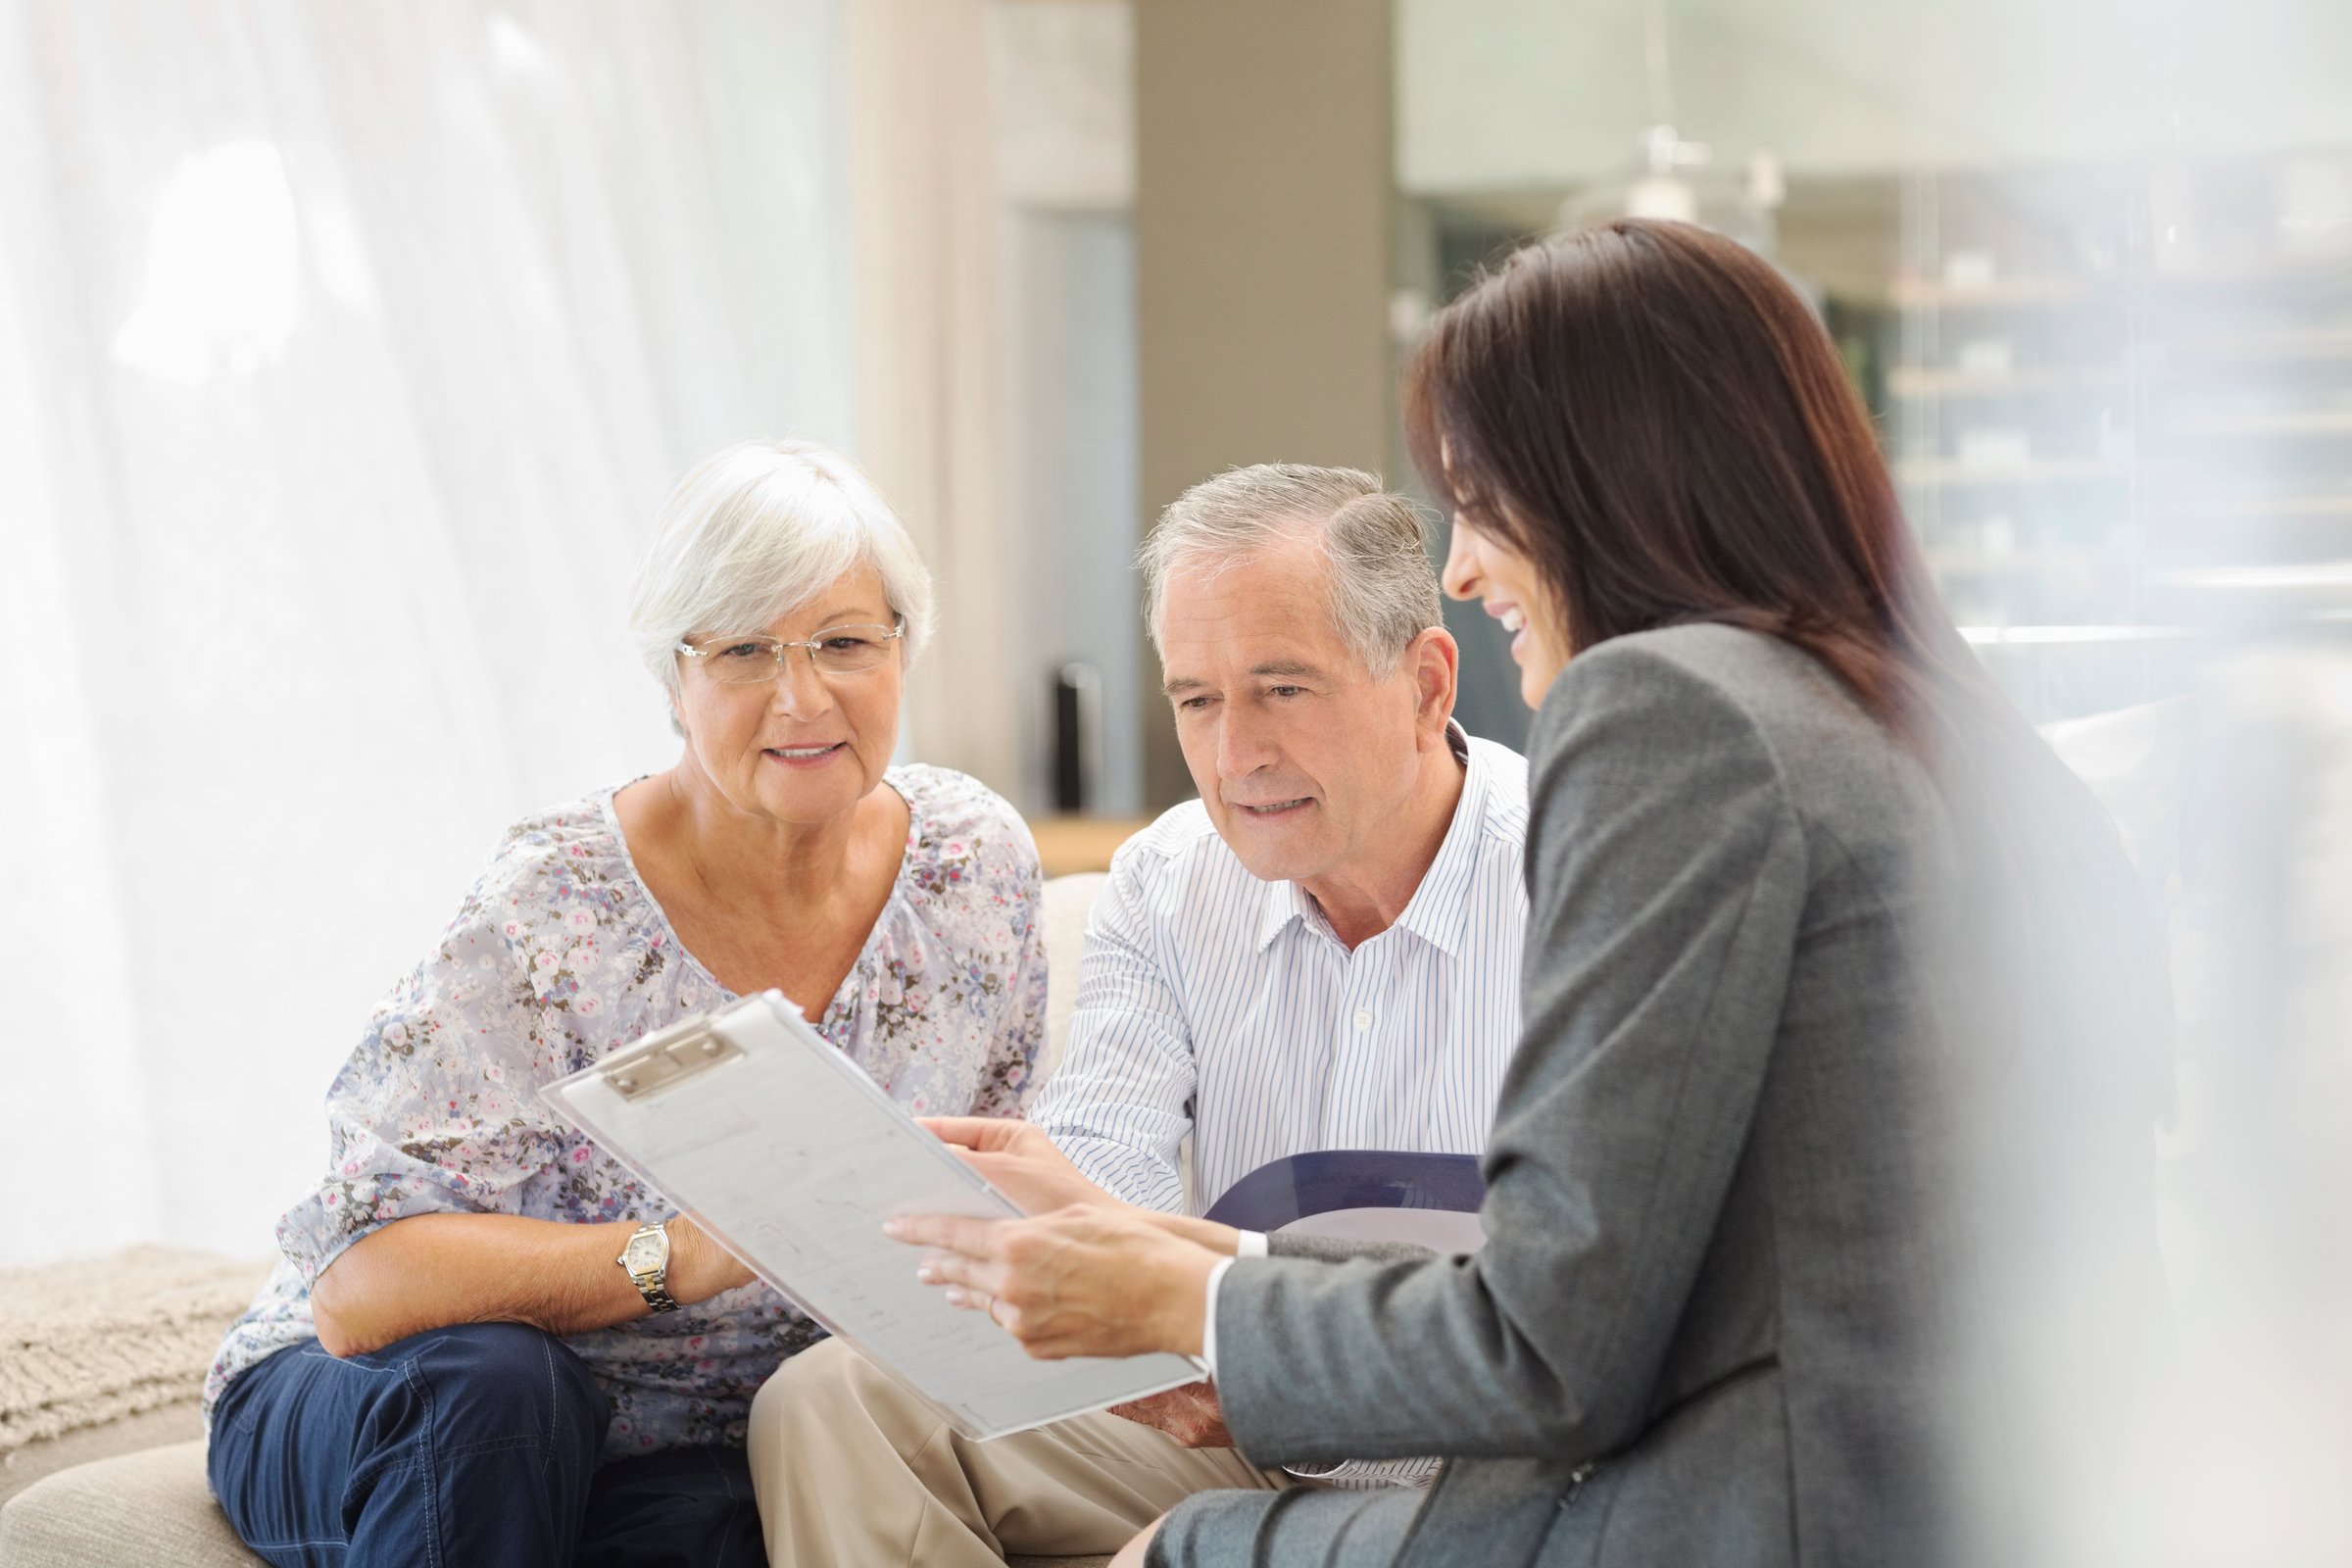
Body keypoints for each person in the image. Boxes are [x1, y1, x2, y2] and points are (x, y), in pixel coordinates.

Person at [890, 218, 2167, 1568]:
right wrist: (1213, 1283)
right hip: (1937, 1509)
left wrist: (1196, 1302)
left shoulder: (1676, 718)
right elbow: (1636, 1275)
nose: (1459, 562)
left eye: (1479, 498)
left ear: (1610, 479)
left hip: (1747, 1517)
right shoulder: (1919, 731)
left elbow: (1556, 1348)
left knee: (1181, 1549)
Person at [204, 439, 1048, 1568]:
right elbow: (361, 1288)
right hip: (390, 1392)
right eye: (745, 649)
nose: (803, 696)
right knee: (507, 1394)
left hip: (684, 1440)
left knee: (748, 1513)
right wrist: (675, 1256)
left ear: (905, 651)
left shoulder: (972, 869)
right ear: (673, 678)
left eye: (845, 642)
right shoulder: (553, 904)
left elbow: (989, 1201)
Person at [746, 464, 1531, 1566]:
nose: (1232, 757)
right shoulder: (1167, 880)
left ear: (1427, 684)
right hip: (1247, 1421)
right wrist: (1049, 1225)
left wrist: (1215, 1306)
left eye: (1283, 689)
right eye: (1197, 699)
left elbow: (1572, 1312)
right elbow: (1106, 1184)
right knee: (835, 1399)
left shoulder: (1581, 876)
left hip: (1495, 1446)